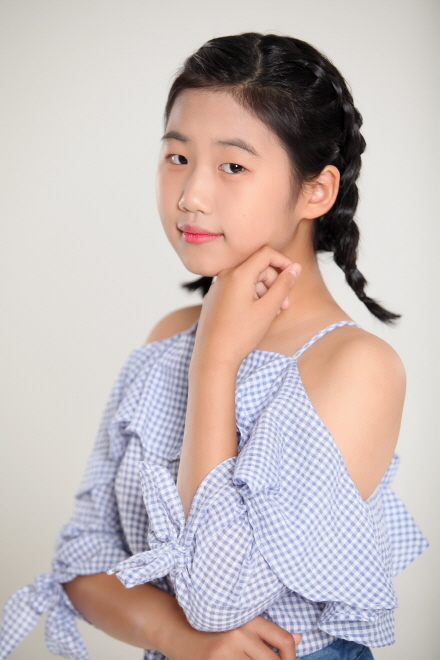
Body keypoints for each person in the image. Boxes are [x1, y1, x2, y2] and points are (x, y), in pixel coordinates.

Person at [0, 32, 428, 660]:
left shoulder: (356, 367)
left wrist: (217, 363)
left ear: (316, 190)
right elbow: (80, 559)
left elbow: (218, 597)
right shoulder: (169, 336)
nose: (190, 195)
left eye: (232, 166)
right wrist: (176, 637)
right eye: (177, 156)